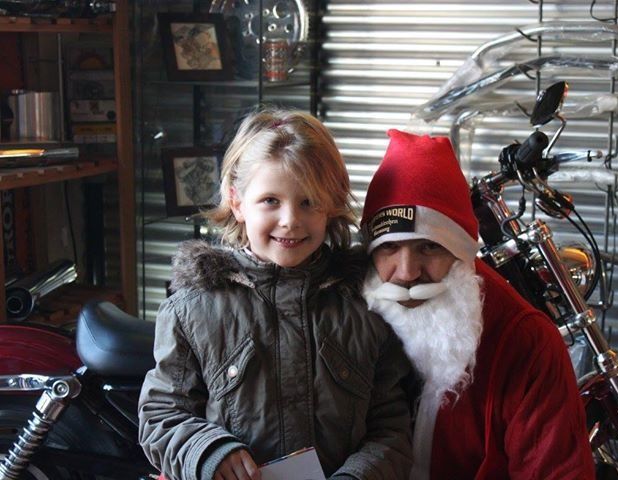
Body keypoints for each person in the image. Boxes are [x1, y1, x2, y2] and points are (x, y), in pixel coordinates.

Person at [138, 111, 413, 480]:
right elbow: (161, 417)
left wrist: (358, 475)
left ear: (331, 204)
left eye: (308, 202)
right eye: (270, 200)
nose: (290, 220)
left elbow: (392, 427)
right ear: (237, 202)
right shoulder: (193, 309)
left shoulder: (366, 304)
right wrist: (208, 452)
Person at [360, 129, 595, 479]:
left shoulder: (526, 342)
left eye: (429, 246)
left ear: (461, 253)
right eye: (389, 247)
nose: (407, 273)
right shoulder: (350, 310)